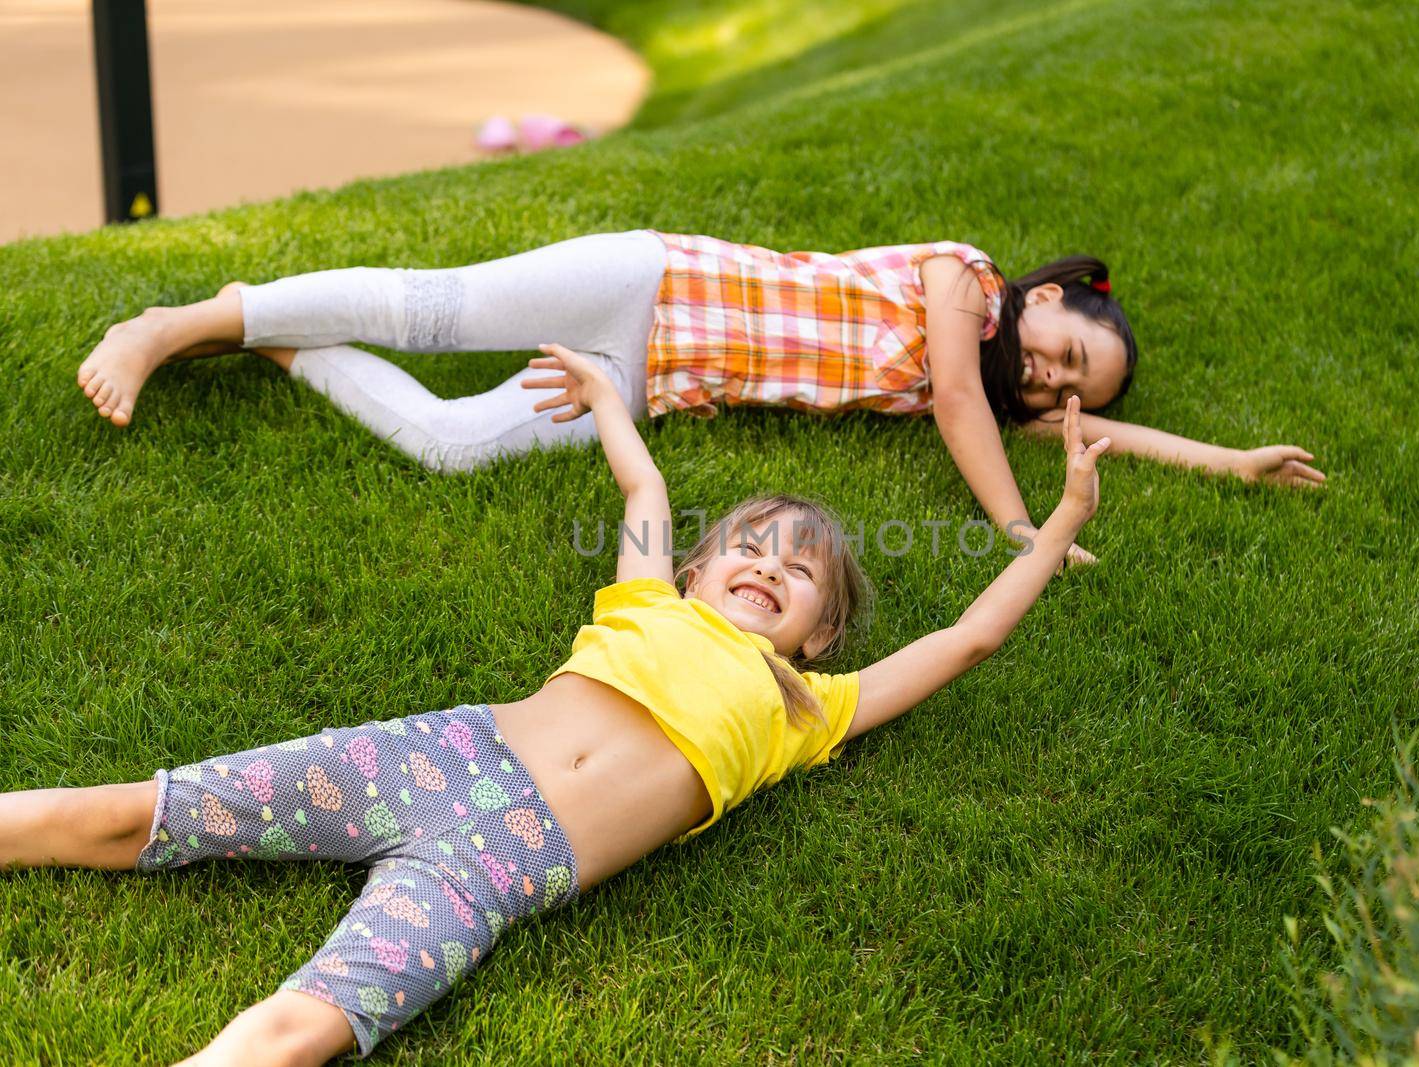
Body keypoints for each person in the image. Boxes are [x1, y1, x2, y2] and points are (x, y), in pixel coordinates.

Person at [15, 346, 1112, 1065]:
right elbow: (644, 489)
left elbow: (966, 639)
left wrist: (1057, 520)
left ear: (818, 634)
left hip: (504, 868)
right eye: (752, 544)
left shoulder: (805, 707)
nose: (771, 565)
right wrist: (600, 397)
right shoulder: (643, 596)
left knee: (313, 1024)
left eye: (803, 570)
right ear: (695, 569)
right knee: (141, 813)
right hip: (438, 753)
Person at [75, 230, 1321, 567]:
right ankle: (174, 324)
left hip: (647, 376)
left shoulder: (1006, 393)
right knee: (431, 309)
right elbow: (954, 399)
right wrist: (1012, 528)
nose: (1051, 381)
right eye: (1064, 348)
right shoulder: (966, 285)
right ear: (1047, 294)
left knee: (452, 445)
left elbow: (1101, 433)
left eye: (1066, 385)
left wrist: (1230, 462)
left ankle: (268, 332)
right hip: (649, 280)